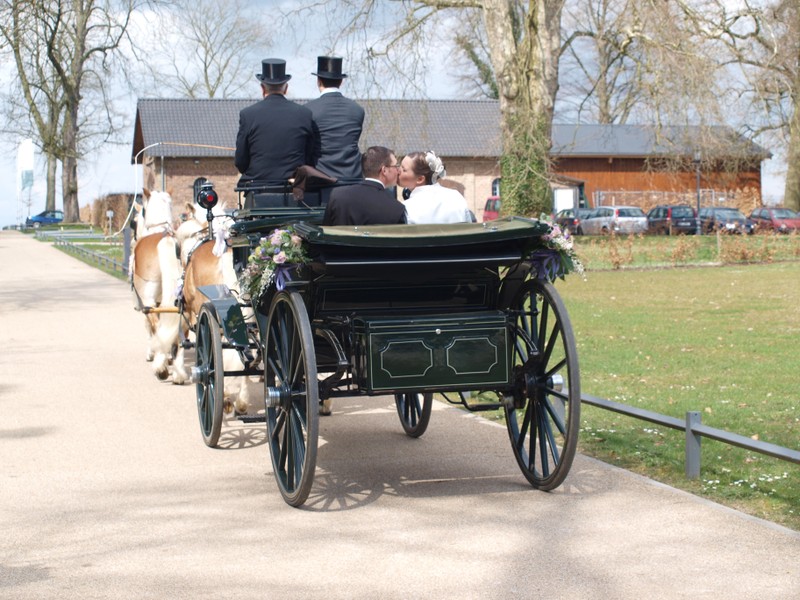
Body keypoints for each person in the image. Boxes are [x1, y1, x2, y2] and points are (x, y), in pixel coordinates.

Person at [234, 58, 316, 187]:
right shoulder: (304, 114)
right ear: (286, 88)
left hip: (258, 188)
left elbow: (240, 162)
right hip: (295, 189)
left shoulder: (248, 115)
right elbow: (310, 156)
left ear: (262, 88)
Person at [305, 56, 365, 182]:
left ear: (318, 81)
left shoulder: (308, 110)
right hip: (352, 177)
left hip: (320, 178)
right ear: (341, 82)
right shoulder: (357, 110)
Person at [322, 146, 406, 226]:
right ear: (384, 170)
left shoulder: (337, 195)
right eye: (395, 166)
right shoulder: (396, 209)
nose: (398, 171)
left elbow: (324, 233)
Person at [398, 151, 473, 224]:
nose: (398, 171)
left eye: (403, 170)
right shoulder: (456, 197)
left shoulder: (406, 208)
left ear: (420, 179)